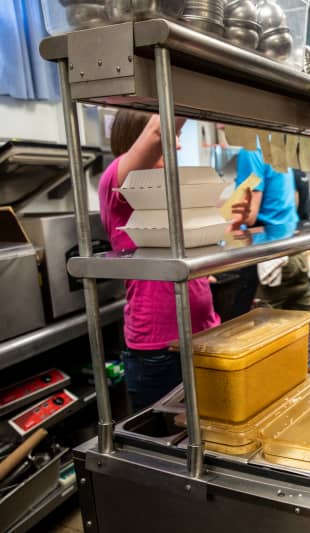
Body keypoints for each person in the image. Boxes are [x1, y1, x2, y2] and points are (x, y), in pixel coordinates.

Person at [99, 111, 236, 410]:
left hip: (203, 334)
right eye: (170, 139)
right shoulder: (118, 181)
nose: (177, 146)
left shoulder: (168, 188)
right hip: (158, 348)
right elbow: (159, 131)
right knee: (165, 447)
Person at [232, 147, 310, 312]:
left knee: (264, 332)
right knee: (306, 327)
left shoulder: (250, 150)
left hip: (271, 260)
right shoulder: (273, 144)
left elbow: (248, 216)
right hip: (294, 254)